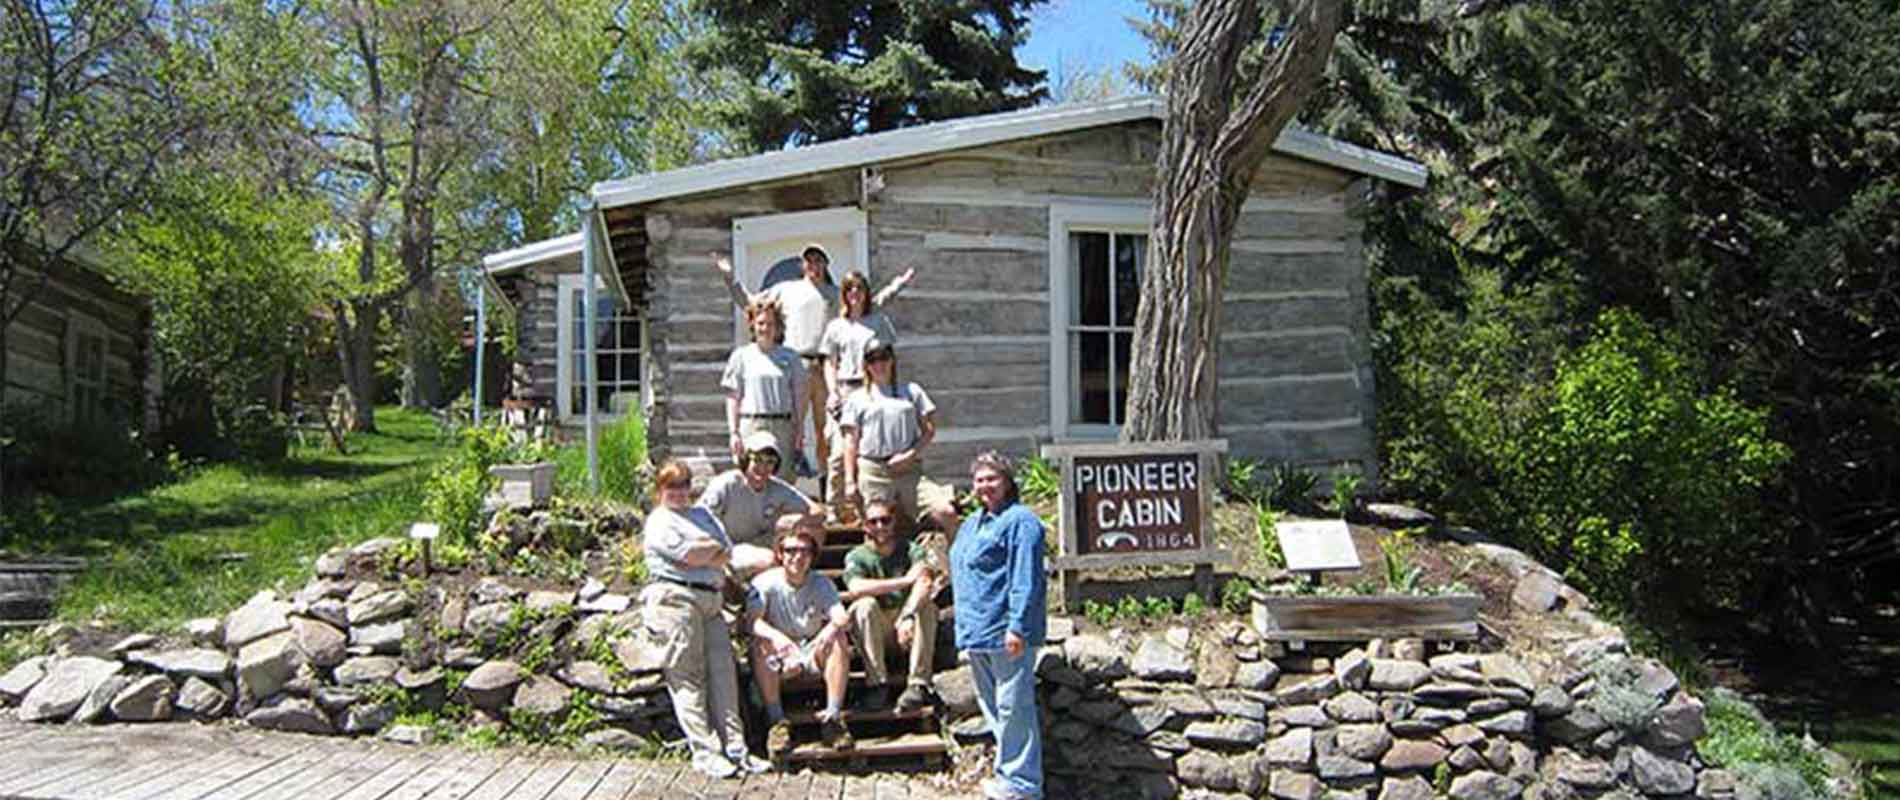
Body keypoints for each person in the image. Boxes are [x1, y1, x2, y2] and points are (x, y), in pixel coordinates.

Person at [714, 247, 914, 489]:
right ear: (802, 265)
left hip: (824, 369)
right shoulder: (785, 290)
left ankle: (825, 486)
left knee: (827, 433)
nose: (814, 266)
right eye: (809, 261)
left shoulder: (833, 293)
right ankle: (783, 488)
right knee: (789, 428)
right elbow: (750, 303)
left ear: (825, 265)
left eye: (819, 261)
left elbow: (868, 304)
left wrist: (898, 285)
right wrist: (729, 277)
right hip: (792, 367)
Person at [639, 459, 772, 779]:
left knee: (723, 676)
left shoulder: (702, 514)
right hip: (676, 599)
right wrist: (709, 551)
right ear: (660, 491)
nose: (679, 493)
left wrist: (709, 551)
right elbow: (691, 555)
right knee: (688, 678)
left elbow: (725, 550)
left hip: (712, 599)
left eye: (684, 485)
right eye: (672, 487)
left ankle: (737, 750)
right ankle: (706, 752)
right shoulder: (659, 521)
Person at [949, 452, 1047, 800]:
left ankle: (1023, 784)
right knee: (995, 710)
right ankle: (1009, 776)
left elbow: (1026, 578)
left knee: (1014, 708)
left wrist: (1017, 626)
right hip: (977, 633)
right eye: (979, 480)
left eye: (992, 478)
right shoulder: (973, 522)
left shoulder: (1021, 521)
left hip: (1006, 632)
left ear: (1007, 481)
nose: (984, 486)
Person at [747, 523, 855, 758]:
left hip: (813, 647)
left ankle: (833, 718)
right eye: (791, 550)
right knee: (760, 644)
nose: (797, 557)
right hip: (781, 652)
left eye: (804, 551)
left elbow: (840, 615)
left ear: (812, 556)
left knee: (838, 638)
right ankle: (777, 723)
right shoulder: (764, 583)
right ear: (780, 554)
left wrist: (831, 629)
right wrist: (778, 639)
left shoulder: (822, 583)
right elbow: (752, 622)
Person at [838, 339, 961, 537]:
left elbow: (929, 430)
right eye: (872, 360)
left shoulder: (911, 391)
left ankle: (957, 562)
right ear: (866, 365)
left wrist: (910, 455)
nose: (879, 365)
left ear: (892, 361)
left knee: (946, 512)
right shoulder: (857, 398)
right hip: (873, 470)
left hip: (909, 469)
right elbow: (850, 441)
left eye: (883, 359)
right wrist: (849, 481)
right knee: (878, 525)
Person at [842, 498, 941, 713]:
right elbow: (856, 587)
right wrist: (904, 582)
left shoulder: (911, 550)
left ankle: (918, 684)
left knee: (927, 607)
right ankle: (876, 684)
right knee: (863, 605)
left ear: (893, 522)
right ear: (864, 525)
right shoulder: (857, 556)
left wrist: (907, 616)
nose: (879, 526)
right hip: (877, 628)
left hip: (907, 627)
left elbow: (924, 581)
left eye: (885, 520)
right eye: (873, 521)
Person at [818, 271, 899, 514]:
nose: (855, 294)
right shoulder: (836, 327)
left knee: (867, 450)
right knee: (837, 453)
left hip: (870, 388)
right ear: (844, 294)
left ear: (865, 293)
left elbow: (888, 357)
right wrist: (832, 392)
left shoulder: (878, 322)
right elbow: (829, 362)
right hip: (844, 387)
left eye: (859, 289)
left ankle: (865, 510)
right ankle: (834, 509)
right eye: (850, 289)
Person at [696, 430, 823, 577]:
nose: (763, 467)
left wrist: (797, 520)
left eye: (770, 462)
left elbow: (818, 512)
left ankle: (804, 577)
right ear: (746, 459)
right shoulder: (726, 484)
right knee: (767, 560)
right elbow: (700, 517)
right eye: (757, 459)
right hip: (728, 549)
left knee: (815, 528)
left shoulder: (777, 488)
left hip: (762, 545)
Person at [722, 296, 806, 482]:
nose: (765, 328)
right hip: (752, 423)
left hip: (782, 425)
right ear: (752, 325)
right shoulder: (741, 356)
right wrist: (734, 432)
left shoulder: (790, 357)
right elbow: (733, 396)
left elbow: (798, 395)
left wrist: (799, 428)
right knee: (752, 478)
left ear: (777, 326)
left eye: (770, 323)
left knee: (782, 479)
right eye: (761, 323)